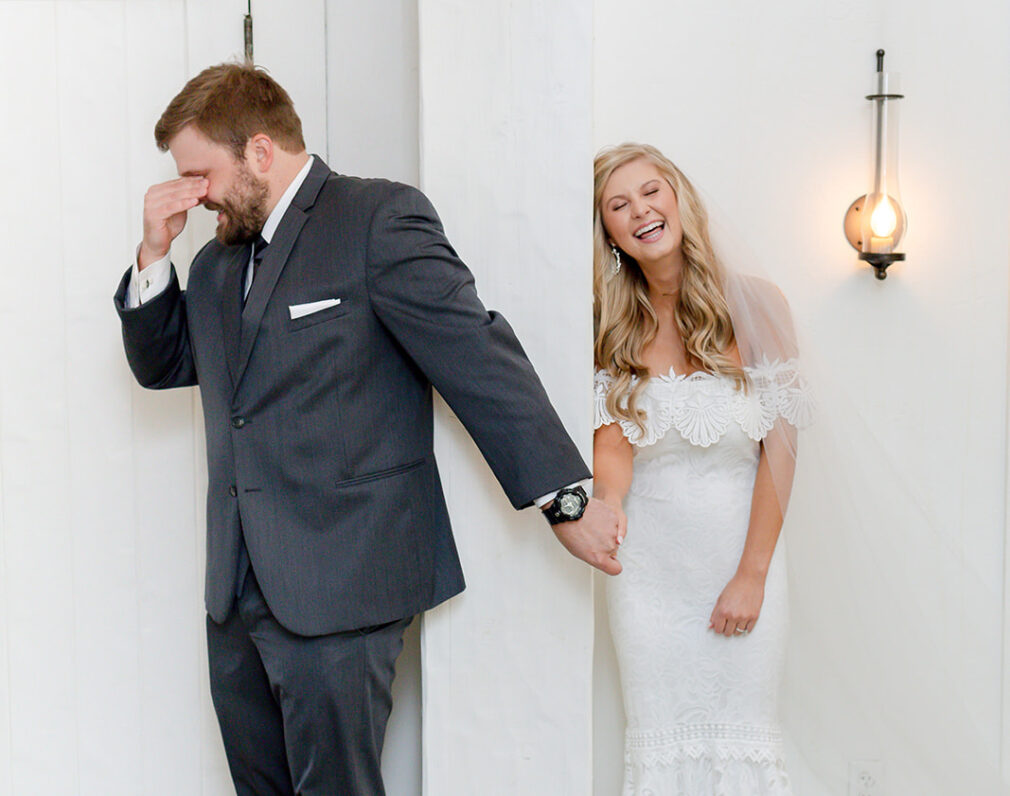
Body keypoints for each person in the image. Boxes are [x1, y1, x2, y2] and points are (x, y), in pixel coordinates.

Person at [114, 62, 621, 796]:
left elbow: (477, 356)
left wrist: (565, 500)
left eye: (201, 174)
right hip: (235, 590)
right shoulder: (216, 265)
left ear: (259, 150)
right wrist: (154, 256)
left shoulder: (378, 219)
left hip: (343, 580)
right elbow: (164, 367)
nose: (195, 198)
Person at [592, 142, 810, 794]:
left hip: (740, 559)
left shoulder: (759, 305)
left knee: (743, 742)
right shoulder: (611, 325)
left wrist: (752, 575)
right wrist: (604, 504)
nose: (641, 211)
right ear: (608, 229)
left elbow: (783, 450)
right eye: (618, 204)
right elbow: (615, 446)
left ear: (680, 196)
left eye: (651, 191)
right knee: (660, 746)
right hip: (650, 580)